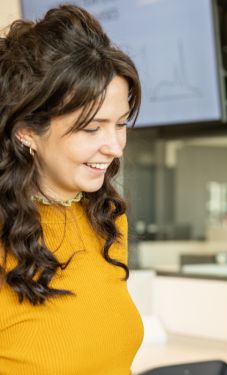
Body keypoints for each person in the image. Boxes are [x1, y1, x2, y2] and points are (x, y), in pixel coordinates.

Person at [0, 5, 143, 374]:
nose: (114, 146)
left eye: (121, 124)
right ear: (27, 131)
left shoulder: (107, 220)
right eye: (92, 129)